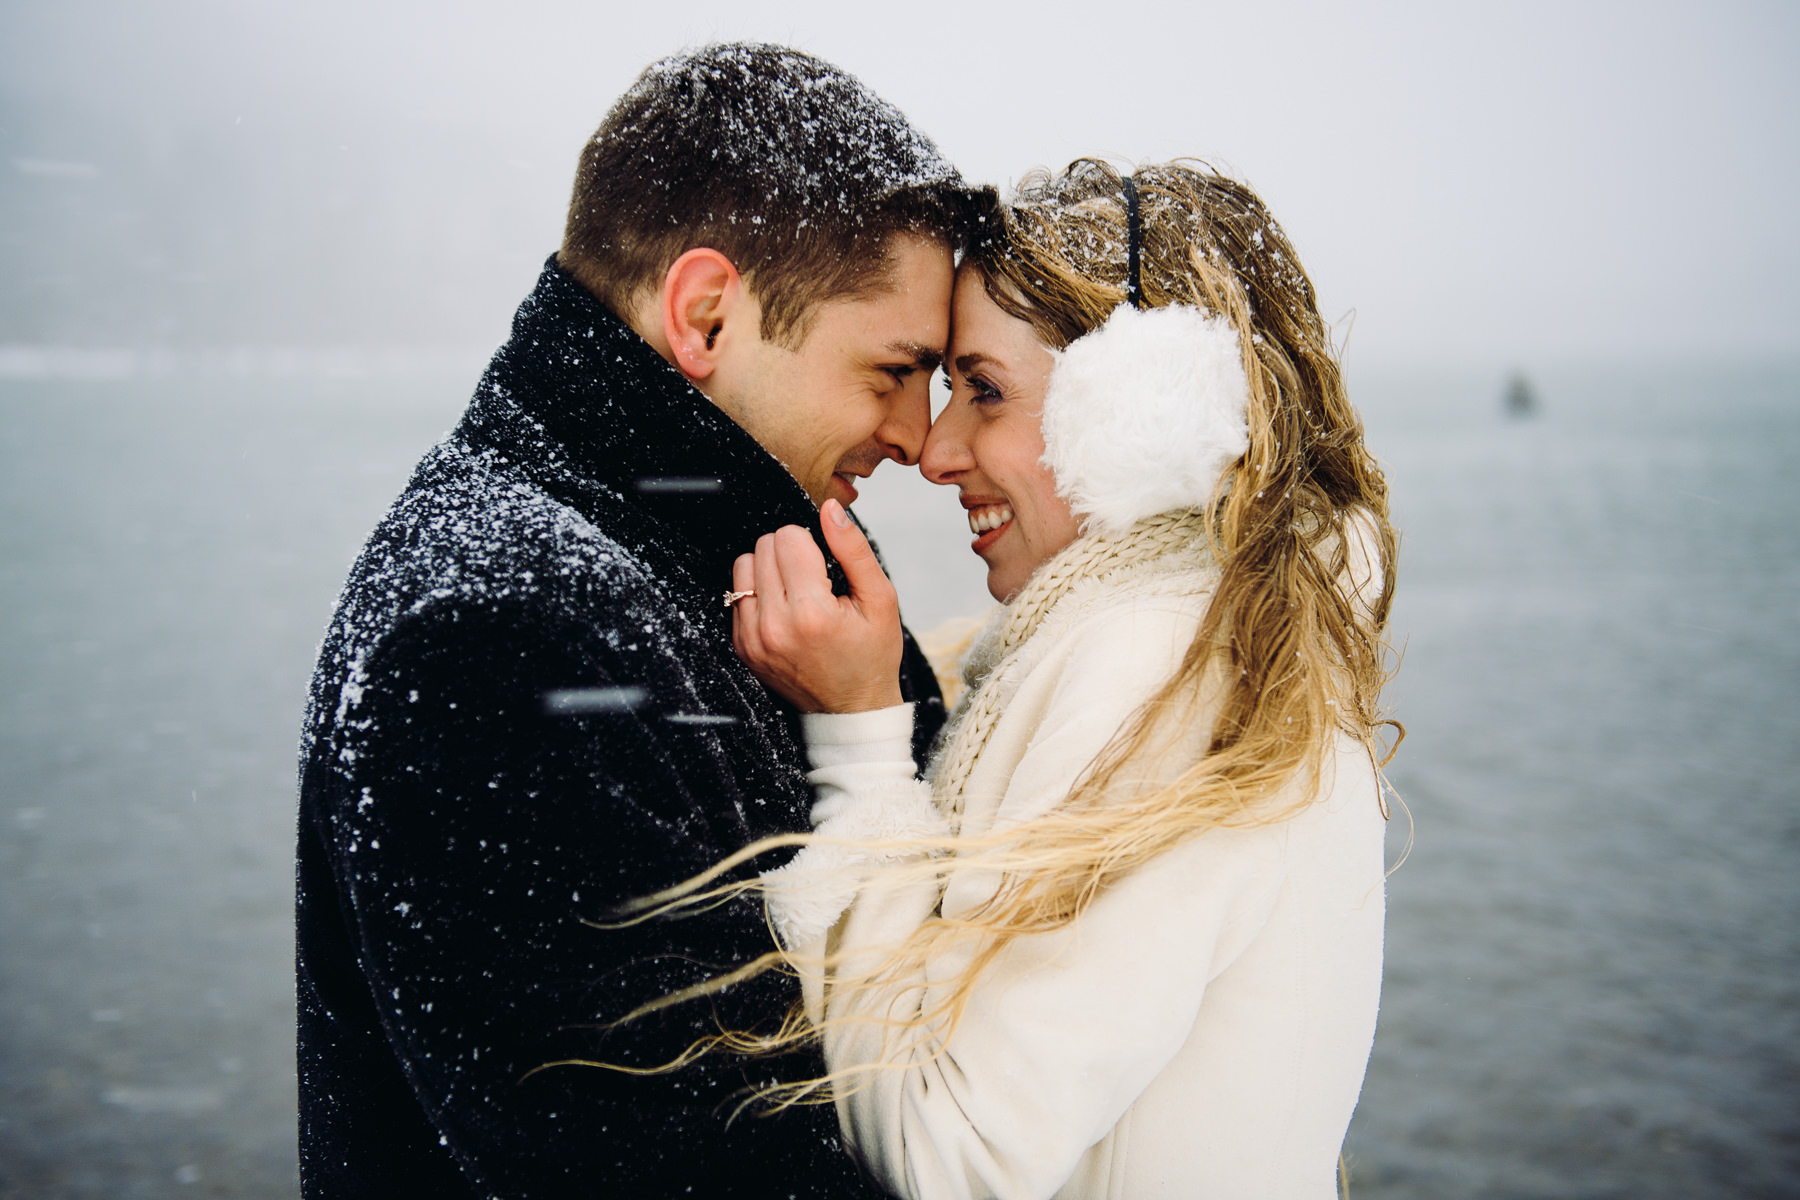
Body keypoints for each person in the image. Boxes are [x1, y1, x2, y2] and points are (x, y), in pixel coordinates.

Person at [295, 43, 978, 1198]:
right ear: (704, 316)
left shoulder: (697, 569)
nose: (918, 437)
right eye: (893, 370)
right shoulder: (500, 645)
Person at [721, 159, 1398, 1198]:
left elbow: (952, 1157)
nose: (936, 451)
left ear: (1146, 413)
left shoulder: (1158, 677)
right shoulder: (1225, 644)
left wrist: (858, 738)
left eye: (984, 391)